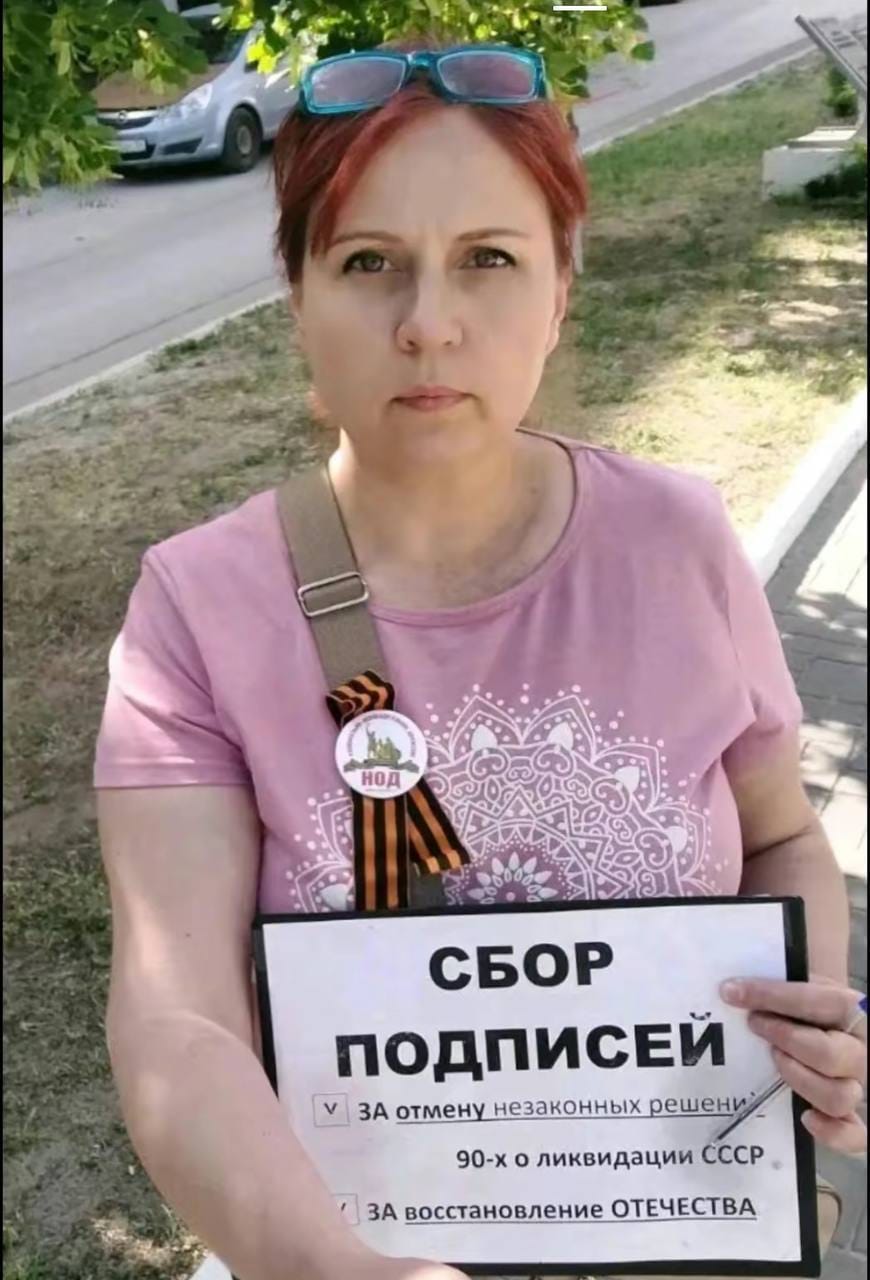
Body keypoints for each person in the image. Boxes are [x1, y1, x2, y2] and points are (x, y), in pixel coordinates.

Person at [94, 34, 867, 1280]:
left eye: (488, 260)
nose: (429, 325)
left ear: (561, 289)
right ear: (297, 295)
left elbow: (783, 837)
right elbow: (175, 1017)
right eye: (369, 263)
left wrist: (806, 1007)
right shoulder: (199, 608)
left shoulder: (678, 539)